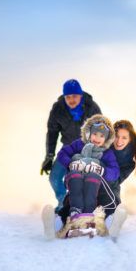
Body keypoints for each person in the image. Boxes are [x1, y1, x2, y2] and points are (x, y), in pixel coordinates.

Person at [40, 79, 102, 211]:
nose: (71, 99)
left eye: (74, 96)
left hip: (87, 149)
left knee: (76, 179)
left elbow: (101, 131)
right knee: (54, 178)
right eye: (68, 97)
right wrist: (49, 156)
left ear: (80, 95)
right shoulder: (58, 109)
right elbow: (52, 133)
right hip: (67, 149)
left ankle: (83, 206)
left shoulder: (91, 107)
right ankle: (64, 202)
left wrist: (99, 153)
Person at [55, 114, 119, 218]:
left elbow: (115, 172)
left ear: (106, 139)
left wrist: (102, 171)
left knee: (92, 176)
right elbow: (63, 153)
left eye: (102, 136)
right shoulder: (79, 144)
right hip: (75, 180)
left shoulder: (107, 153)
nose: (97, 138)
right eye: (95, 134)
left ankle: (89, 212)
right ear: (88, 133)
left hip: (95, 185)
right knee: (75, 175)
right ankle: (75, 211)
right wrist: (70, 163)